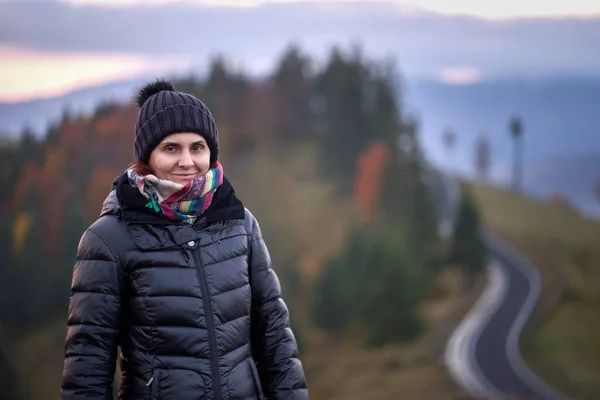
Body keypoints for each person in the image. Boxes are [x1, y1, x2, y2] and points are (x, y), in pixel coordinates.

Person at [61, 79, 308, 400]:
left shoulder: (239, 224)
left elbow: (275, 336)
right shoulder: (108, 239)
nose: (187, 161)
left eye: (197, 147)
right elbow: (88, 364)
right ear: (147, 156)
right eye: (171, 148)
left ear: (210, 153)